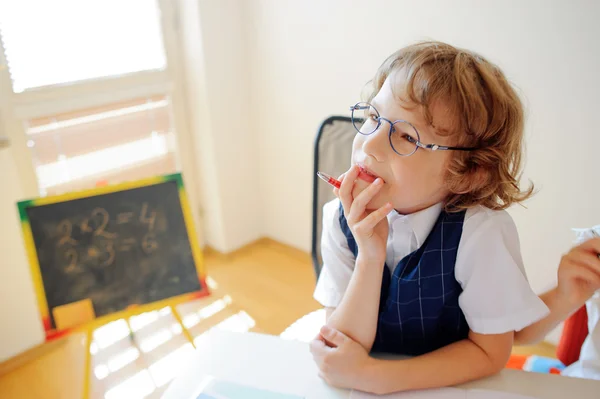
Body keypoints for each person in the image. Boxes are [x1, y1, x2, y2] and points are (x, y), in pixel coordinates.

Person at [309, 41, 550, 395]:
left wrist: (377, 378)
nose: (369, 145)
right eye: (374, 117)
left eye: (406, 136)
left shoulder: (480, 233)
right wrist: (370, 256)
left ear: (467, 172)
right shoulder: (339, 219)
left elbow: (491, 352)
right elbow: (343, 346)